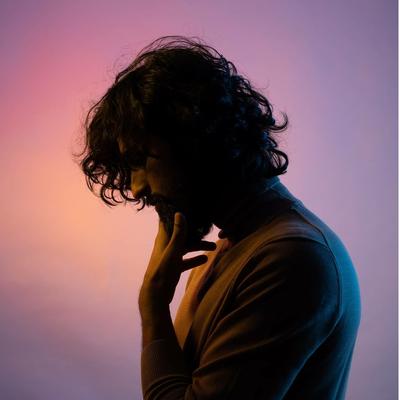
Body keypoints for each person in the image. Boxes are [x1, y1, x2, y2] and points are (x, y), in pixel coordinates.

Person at [75, 35, 362, 399]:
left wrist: (153, 309)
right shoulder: (230, 246)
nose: (136, 188)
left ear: (192, 136)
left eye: (138, 160)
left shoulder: (290, 257)